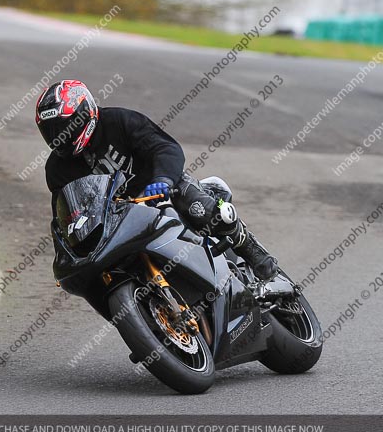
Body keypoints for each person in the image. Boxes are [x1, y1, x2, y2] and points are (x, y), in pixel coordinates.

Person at [36, 80, 280, 282]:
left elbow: (165, 148)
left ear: (85, 112)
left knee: (201, 209)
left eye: (65, 127)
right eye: (51, 131)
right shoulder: (56, 168)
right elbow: (65, 214)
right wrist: (66, 252)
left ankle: (252, 250)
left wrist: (163, 179)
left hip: (160, 189)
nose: (60, 136)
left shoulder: (119, 121)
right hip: (118, 219)